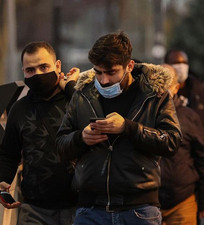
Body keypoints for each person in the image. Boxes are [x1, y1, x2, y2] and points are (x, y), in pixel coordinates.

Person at [56, 32, 182, 225]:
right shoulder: (82, 94)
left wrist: (128, 128)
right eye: (98, 72)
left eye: (111, 72)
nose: (104, 80)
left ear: (129, 66)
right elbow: (60, 145)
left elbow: (171, 142)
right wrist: (81, 138)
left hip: (139, 209)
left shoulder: (154, 94)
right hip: (90, 209)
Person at [0, 41, 79, 225]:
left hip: (79, 206)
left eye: (44, 67)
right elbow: (9, 153)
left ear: (57, 66)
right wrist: (3, 182)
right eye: (30, 70)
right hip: (35, 210)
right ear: (23, 72)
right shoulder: (19, 109)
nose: (38, 74)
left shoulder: (76, 102)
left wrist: (70, 88)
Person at [159, 65, 204, 225]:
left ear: (176, 88)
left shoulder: (189, 117)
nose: (161, 91)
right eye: (157, 84)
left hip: (182, 201)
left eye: (166, 85)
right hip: (147, 203)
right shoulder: (140, 116)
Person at [164, 49, 204, 173]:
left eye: (184, 63)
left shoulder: (198, 90)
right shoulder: (159, 92)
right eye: (176, 63)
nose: (181, 67)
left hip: (195, 156)